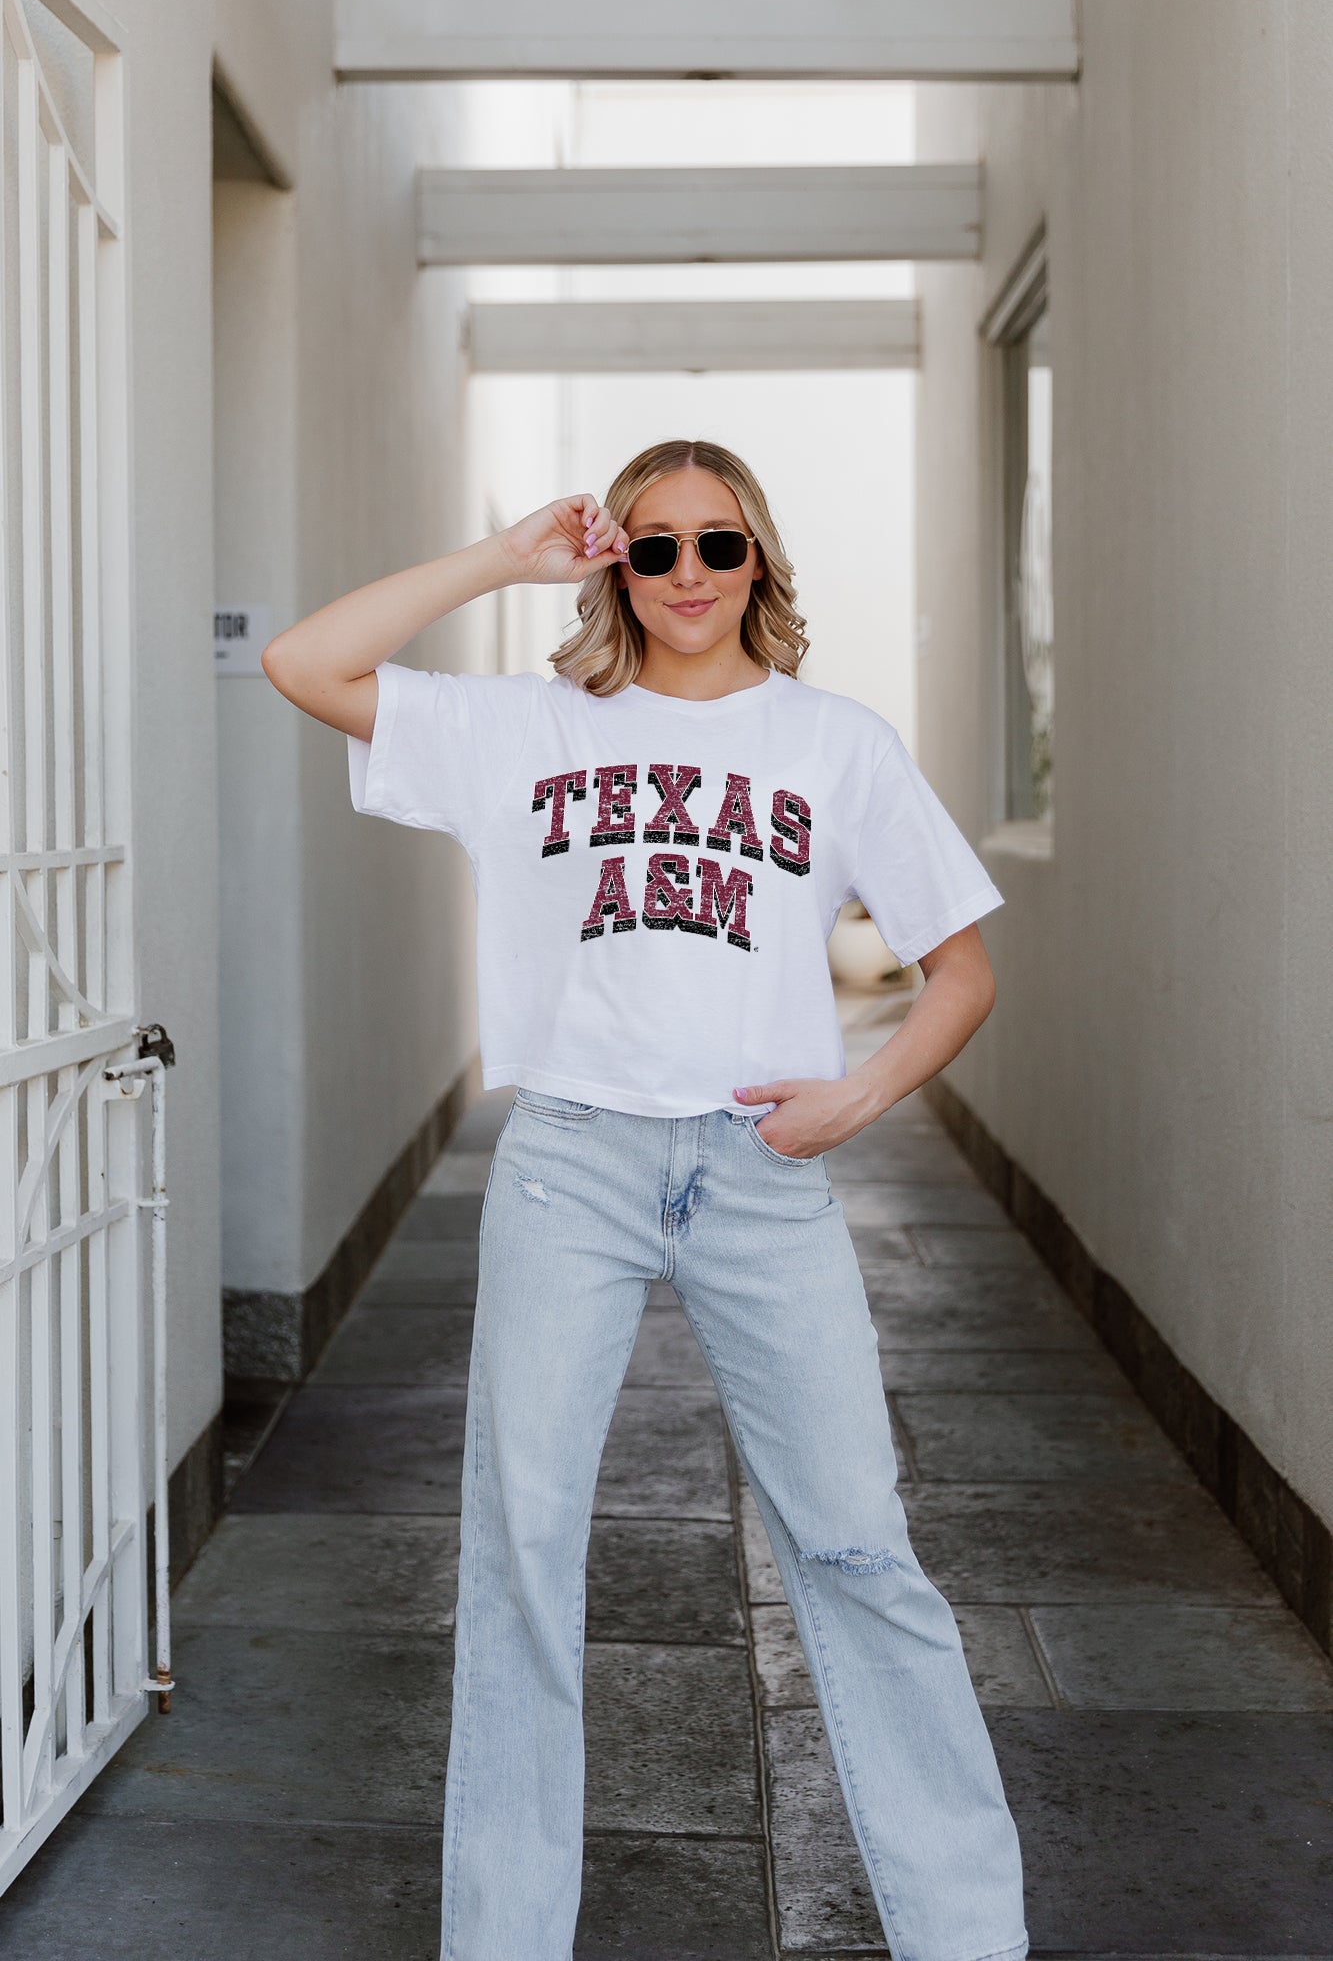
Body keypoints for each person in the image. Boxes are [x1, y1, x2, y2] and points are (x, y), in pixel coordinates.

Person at [261, 436, 1028, 1961]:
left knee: (858, 1546)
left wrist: (854, 1099)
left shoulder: (833, 743)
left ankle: (965, 1935)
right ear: (619, 561)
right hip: (571, 1168)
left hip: (762, 1172)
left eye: (719, 547)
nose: (689, 575)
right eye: (657, 546)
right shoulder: (525, 729)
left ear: (762, 566)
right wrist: (499, 559)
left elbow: (962, 970)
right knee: (523, 1551)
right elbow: (302, 659)